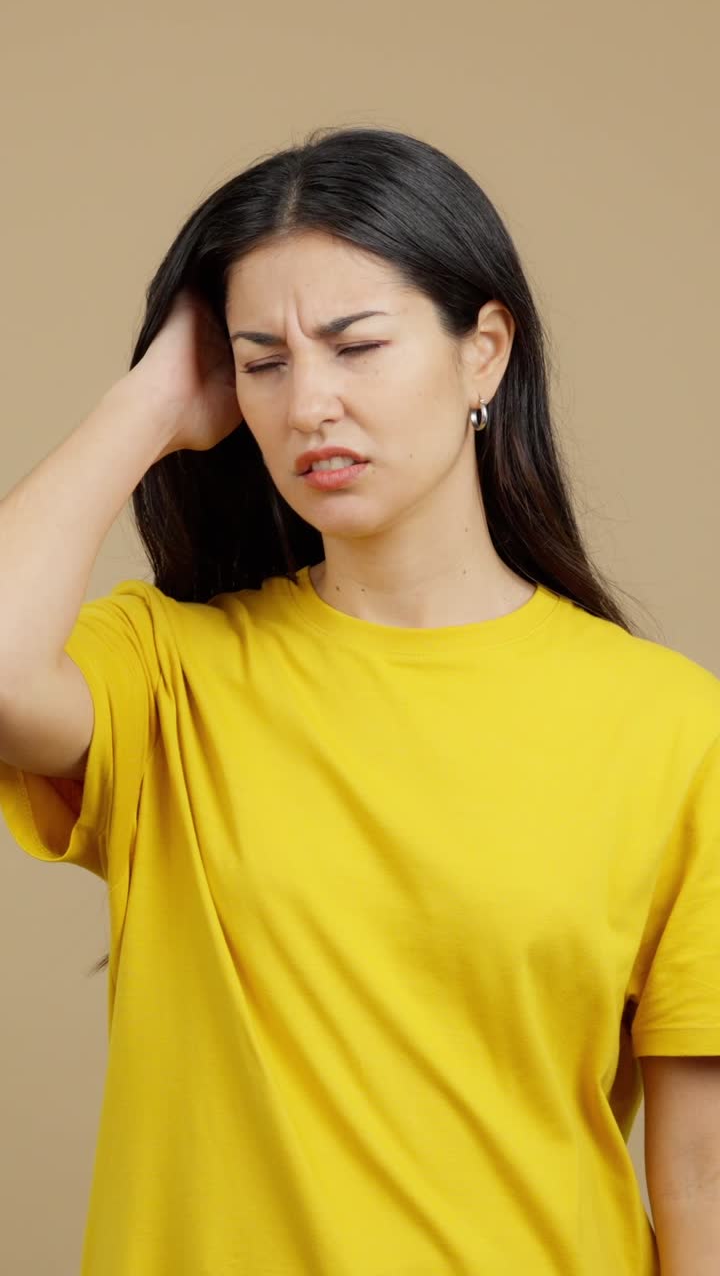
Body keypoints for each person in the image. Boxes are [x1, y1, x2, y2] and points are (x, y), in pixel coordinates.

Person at [0, 125, 718, 1276]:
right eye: (264, 361)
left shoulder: (674, 728)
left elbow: (698, 1176)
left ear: (483, 351)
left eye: (354, 344)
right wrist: (146, 406)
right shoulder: (171, 670)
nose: (309, 402)